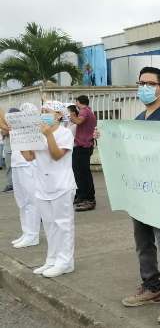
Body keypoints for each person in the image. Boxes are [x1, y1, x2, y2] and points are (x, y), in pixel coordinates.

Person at [103, 67, 160, 324]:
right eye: (141, 82)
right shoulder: (140, 118)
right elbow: (129, 150)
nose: (144, 87)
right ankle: (152, 287)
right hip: (139, 190)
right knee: (142, 240)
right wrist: (105, 138)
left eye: (150, 83)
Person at [22, 101, 78, 278]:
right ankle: (52, 259)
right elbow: (29, 157)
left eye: (48, 111)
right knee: (49, 225)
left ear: (59, 115)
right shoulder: (39, 133)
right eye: (42, 111)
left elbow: (56, 156)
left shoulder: (65, 133)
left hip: (61, 185)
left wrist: (47, 135)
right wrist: (23, 139)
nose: (43, 113)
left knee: (63, 225)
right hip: (42, 186)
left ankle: (65, 262)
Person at [10, 104, 41, 249]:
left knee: (31, 201)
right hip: (17, 164)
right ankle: (26, 232)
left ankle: (33, 235)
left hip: (28, 166)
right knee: (22, 201)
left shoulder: (34, 127)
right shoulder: (18, 126)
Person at [69, 95, 97, 212]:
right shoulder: (89, 111)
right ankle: (81, 195)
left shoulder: (84, 111)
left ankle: (89, 198)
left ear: (79, 102)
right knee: (80, 172)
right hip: (85, 145)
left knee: (83, 173)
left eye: (76, 102)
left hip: (83, 146)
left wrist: (71, 113)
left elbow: (78, 121)